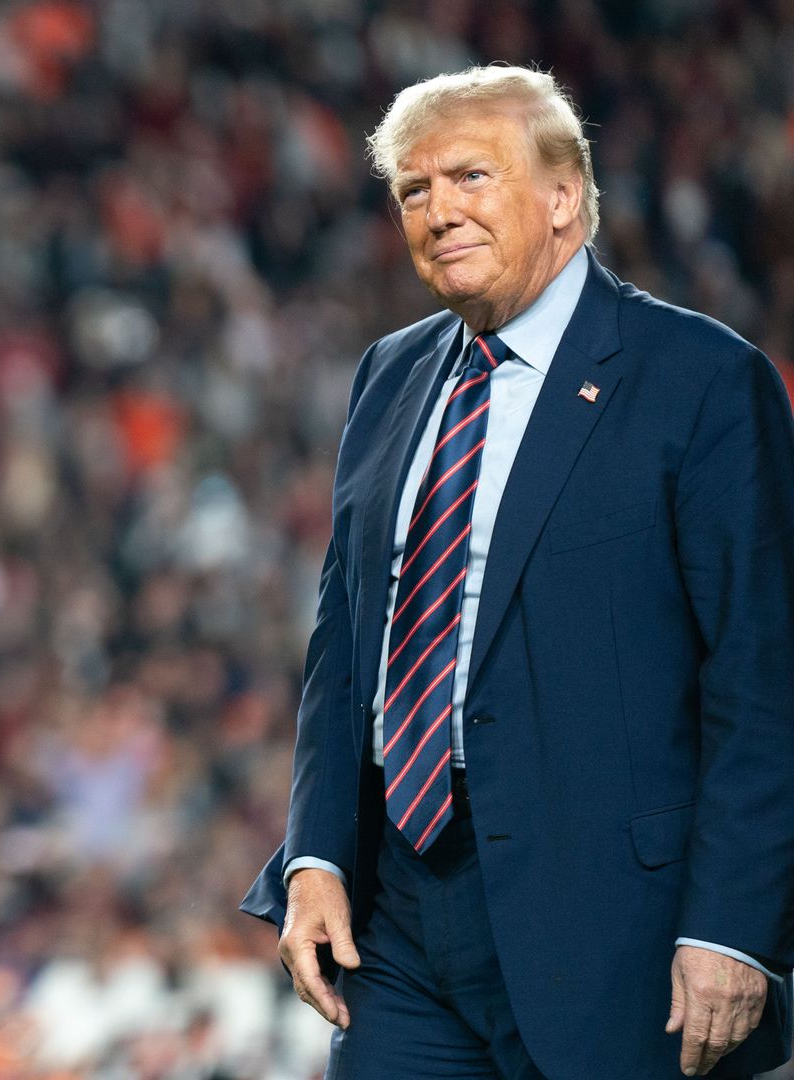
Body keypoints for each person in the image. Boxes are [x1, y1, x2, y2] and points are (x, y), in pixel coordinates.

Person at [241, 64, 794, 1079]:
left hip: (616, 930)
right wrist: (316, 854)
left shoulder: (702, 382)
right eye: (413, 190)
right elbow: (345, 642)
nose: (438, 210)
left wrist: (735, 926)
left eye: (469, 177)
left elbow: (763, 679)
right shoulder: (389, 374)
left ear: (562, 197)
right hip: (401, 922)